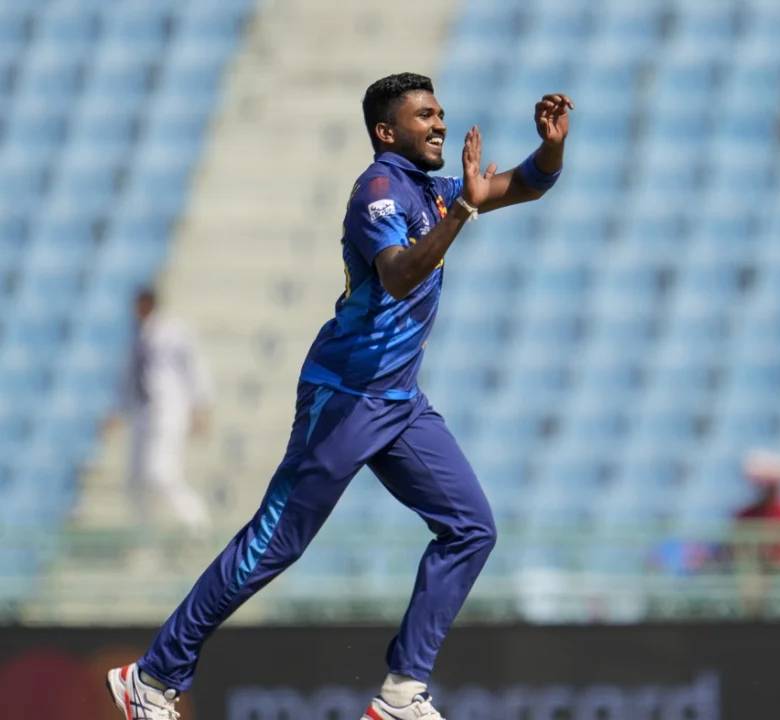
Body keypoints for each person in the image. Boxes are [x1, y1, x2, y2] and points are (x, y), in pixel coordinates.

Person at [106, 72, 573, 720]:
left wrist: (551, 145)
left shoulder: (433, 191)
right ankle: (152, 677)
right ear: (386, 131)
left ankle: (402, 692)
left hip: (398, 401)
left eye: (440, 113)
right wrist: (464, 211)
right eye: (424, 115)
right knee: (275, 543)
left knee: (471, 528)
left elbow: (526, 184)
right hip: (346, 396)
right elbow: (400, 274)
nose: (440, 123)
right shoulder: (378, 190)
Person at [114, 287, 213, 532]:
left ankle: (197, 525)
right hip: (142, 412)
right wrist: (119, 410)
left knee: (162, 474)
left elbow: (194, 366)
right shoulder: (137, 335)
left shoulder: (173, 331)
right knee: (134, 479)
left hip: (169, 410)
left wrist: (200, 406)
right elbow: (130, 378)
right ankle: (142, 534)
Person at [733, 449, 780, 572]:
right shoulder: (746, 514)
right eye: (765, 485)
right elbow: (740, 551)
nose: (768, 489)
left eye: (773, 485)